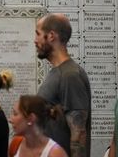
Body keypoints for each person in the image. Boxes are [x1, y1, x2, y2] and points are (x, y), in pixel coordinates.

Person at [35, 14, 91, 156]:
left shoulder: (70, 75)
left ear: (51, 36)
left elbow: (79, 134)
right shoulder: (57, 73)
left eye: (38, 34)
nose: (35, 40)